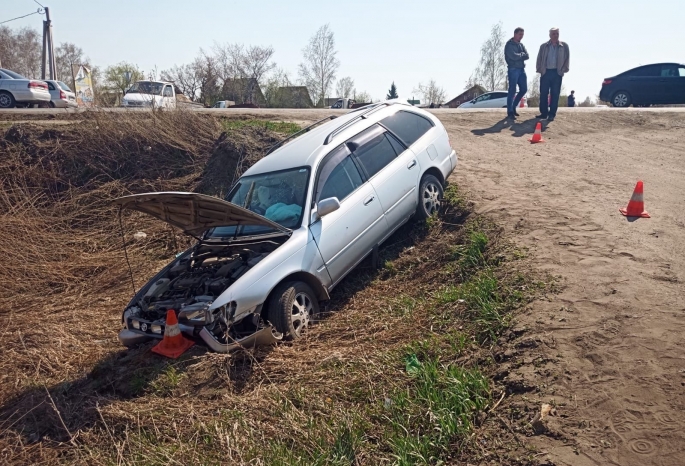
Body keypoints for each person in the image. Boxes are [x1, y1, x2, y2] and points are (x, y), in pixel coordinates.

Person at [536, 28, 570, 121]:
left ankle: (552, 114)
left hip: (557, 73)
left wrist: (563, 70)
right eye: (554, 34)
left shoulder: (564, 46)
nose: (555, 35)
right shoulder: (543, 46)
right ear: (550, 35)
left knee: (555, 94)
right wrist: (540, 69)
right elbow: (539, 58)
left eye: (557, 33)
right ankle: (544, 113)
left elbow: (567, 58)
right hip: (546, 72)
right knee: (543, 93)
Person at [504, 27, 529, 120]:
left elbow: (527, 55)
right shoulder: (509, 45)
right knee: (512, 90)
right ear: (515, 34)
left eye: (522, 35)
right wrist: (521, 55)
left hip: (522, 69)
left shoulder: (521, 45)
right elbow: (513, 56)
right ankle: (510, 111)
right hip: (513, 69)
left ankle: (514, 106)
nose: (521, 36)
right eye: (520, 34)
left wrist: (521, 55)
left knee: (524, 89)